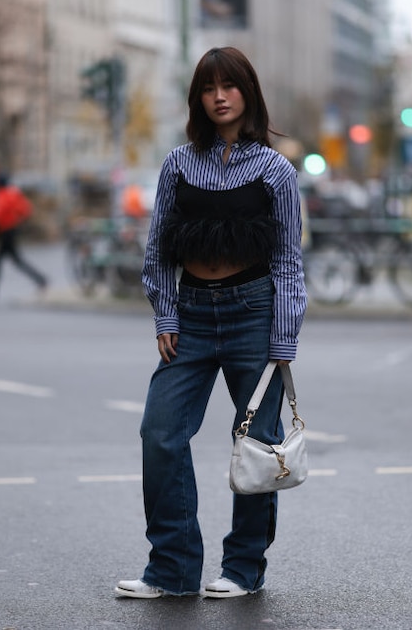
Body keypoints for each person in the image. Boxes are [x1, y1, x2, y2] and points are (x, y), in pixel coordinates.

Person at [114, 47, 307, 599]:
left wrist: (284, 336)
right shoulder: (178, 164)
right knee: (161, 433)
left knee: (255, 446)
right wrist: (166, 312)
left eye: (229, 85)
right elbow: (157, 250)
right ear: (198, 98)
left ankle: (243, 569)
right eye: (208, 87)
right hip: (192, 317)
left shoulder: (275, 169)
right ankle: (171, 570)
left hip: (254, 314)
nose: (219, 96)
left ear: (248, 91)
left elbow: (289, 259)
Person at [0, 174, 48, 300]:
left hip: (4, 232)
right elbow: (25, 209)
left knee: (5, 261)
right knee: (8, 261)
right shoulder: (14, 193)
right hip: (11, 230)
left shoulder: (1, 194)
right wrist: (17, 219)